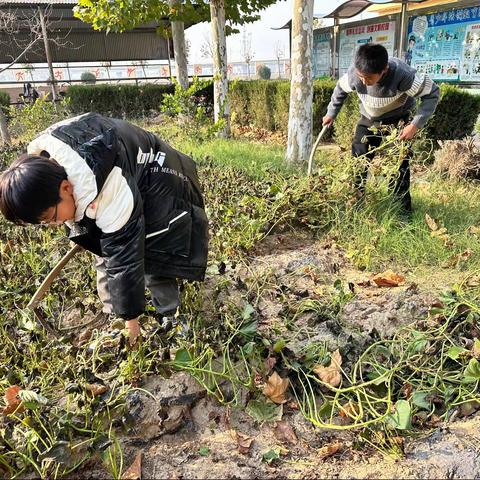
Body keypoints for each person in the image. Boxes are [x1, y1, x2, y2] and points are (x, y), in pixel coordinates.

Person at [0, 113, 209, 345]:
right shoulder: (45, 164)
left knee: (152, 250)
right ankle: (112, 314)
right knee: (103, 246)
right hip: (121, 163)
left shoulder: (110, 188)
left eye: (52, 218)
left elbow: (123, 258)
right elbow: (104, 248)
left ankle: (171, 314)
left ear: (67, 187)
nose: (54, 225)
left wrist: (131, 324)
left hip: (160, 179)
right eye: (44, 223)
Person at [323, 43, 440, 213]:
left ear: (384, 70)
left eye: (369, 78)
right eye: (361, 76)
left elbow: (432, 94)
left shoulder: (403, 75)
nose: (363, 82)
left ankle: (401, 209)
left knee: (399, 165)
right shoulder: (355, 74)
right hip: (368, 120)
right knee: (358, 160)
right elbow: (340, 89)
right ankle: (355, 201)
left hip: (398, 122)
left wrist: (414, 125)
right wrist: (331, 113)